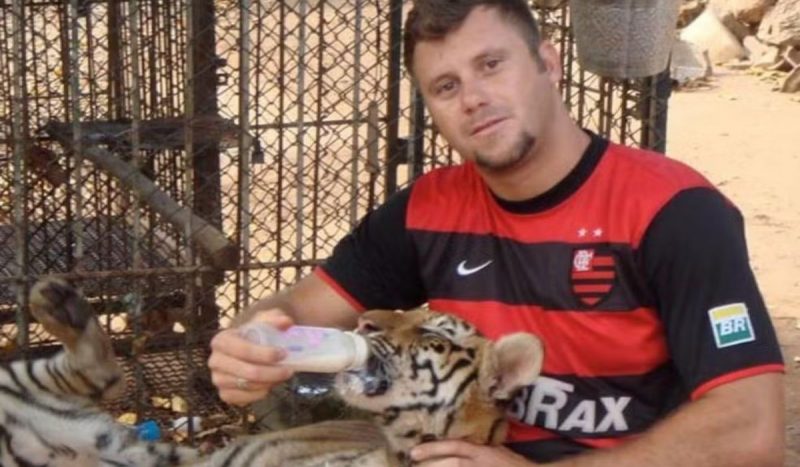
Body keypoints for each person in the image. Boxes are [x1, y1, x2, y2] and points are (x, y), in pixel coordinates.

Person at [208, 0, 786, 465]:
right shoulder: (428, 208)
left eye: (491, 65)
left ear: (549, 63)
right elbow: (295, 310)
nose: (475, 99)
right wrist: (250, 343)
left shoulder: (673, 210)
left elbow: (750, 430)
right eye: (446, 86)